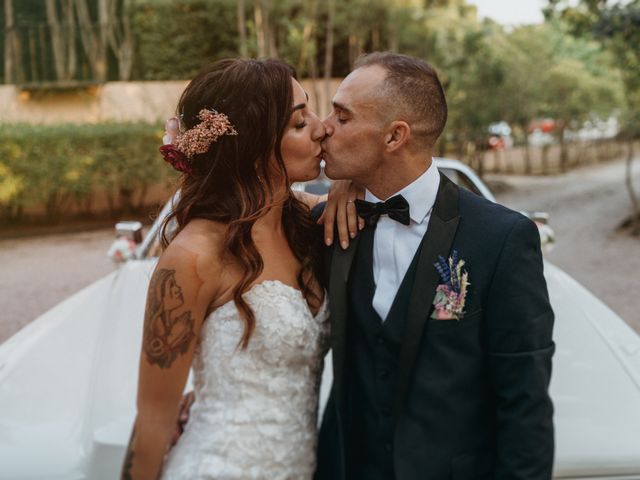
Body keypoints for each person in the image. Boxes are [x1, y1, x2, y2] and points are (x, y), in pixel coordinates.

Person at [315, 52, 555, 480]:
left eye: (343, 117)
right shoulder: (328, 225)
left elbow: (525, 402)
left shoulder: (500, 238)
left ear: (395, 137)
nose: (323, 128)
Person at [121, 58, 334, 480]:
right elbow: (153, 419)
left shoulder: (311, 222)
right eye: (297, 123)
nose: (321, 126)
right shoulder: (193, 256)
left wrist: (349, 185)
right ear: (252, 147)